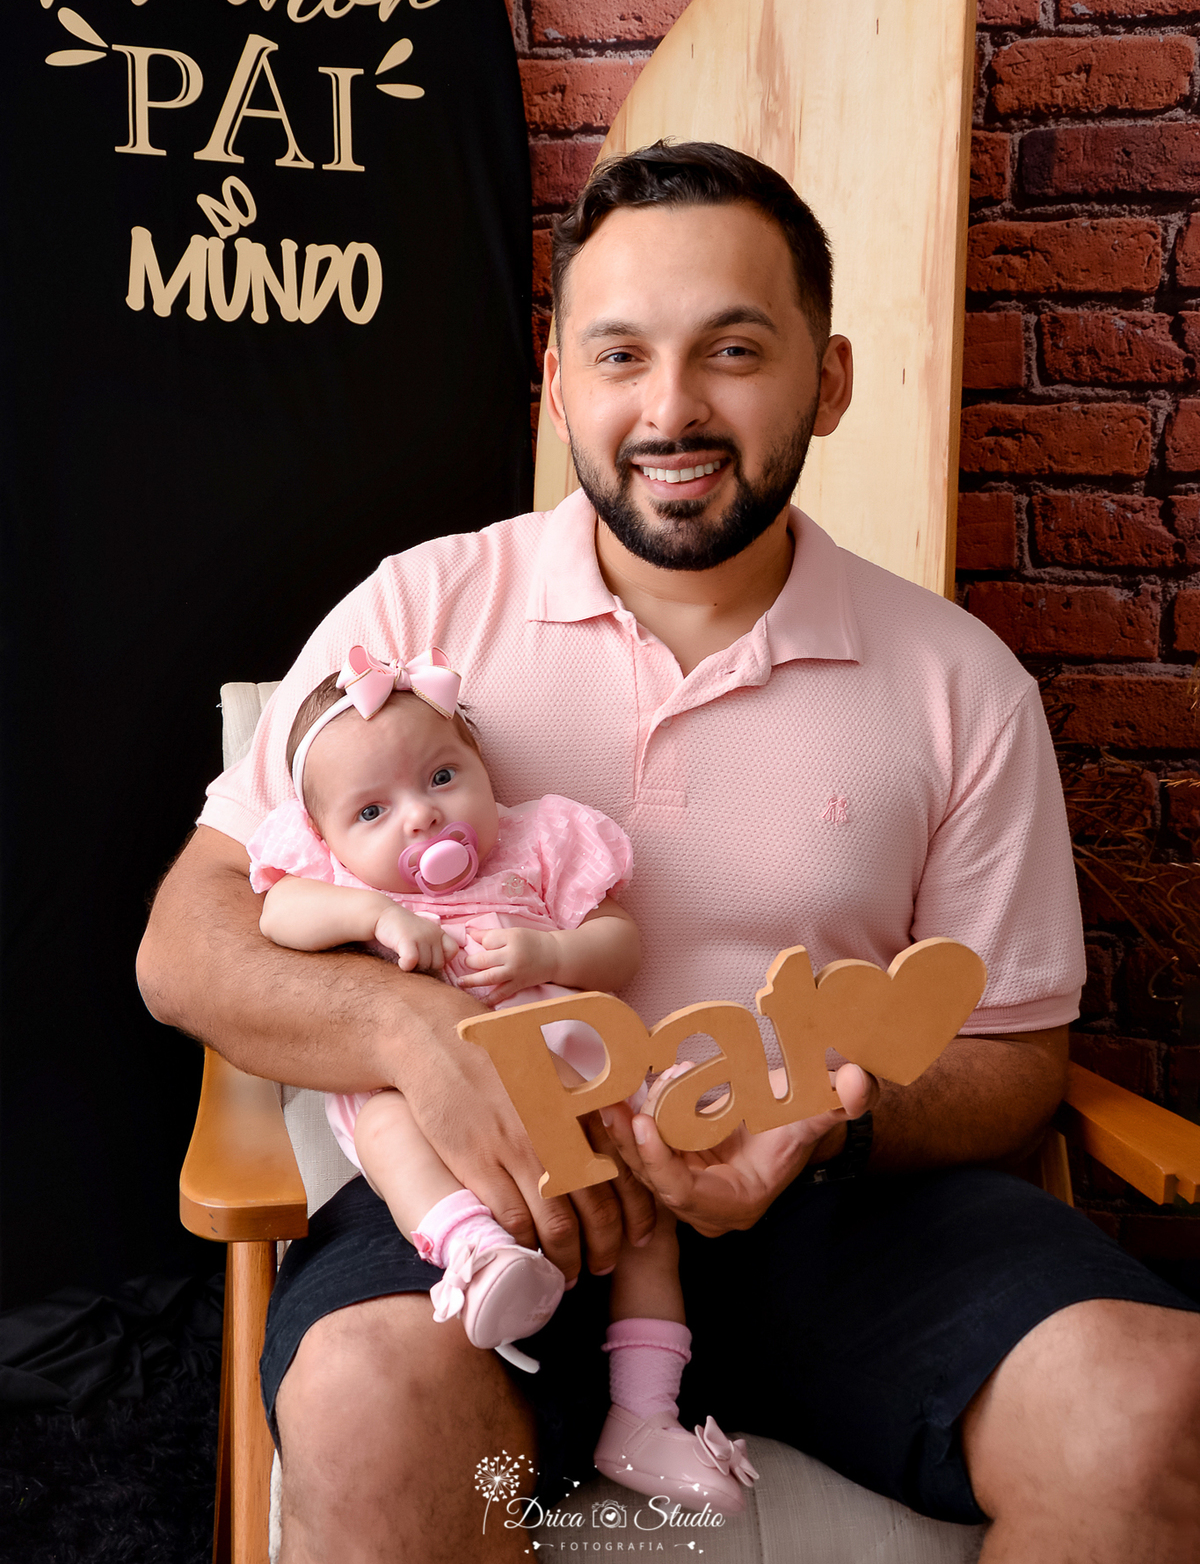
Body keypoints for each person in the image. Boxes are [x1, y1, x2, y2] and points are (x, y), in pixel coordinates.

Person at [138, 142, 1200, 1564]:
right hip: (502, 1206)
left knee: (1151, 1405)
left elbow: (1014, 1058)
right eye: (621, 353)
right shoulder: (416, 617)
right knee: (367, 1399)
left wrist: (830, 1119)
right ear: (560, 377)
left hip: (845, 1225)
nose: (672, 408)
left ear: (825, 378)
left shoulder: (960, 684)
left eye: (735, 350)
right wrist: (412, 1031)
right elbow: (185, 945)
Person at [249, 642, 756, 1511]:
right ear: (325, 838)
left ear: (483, 771)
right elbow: (279, 913)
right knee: (382, 1125)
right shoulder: (334, 882)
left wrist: (550, 951)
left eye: (443, 777)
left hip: (576, 1079)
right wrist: (370, 912)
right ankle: (472, 1255)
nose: (419, 818)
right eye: (372, 811)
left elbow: (621, 944)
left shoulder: (538, 841)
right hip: (428, 1108)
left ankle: (645, 1415)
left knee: (649, 1215)